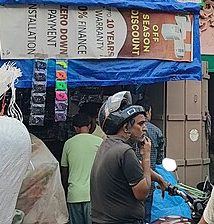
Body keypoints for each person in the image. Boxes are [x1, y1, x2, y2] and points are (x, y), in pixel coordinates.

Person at [90, 91, 153, 224]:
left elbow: (134, 169)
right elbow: (142, 193)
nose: (145, 128)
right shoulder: (125, 152)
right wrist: (146, 156)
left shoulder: (107, 145)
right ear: (126, 127)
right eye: (140, 124)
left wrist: (160, 180)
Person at [61, 112, 103, 224]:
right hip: (93, 195)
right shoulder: (100, 142)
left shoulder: (68, 144)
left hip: (74, 195)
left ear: (75, 128)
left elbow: (64, 171)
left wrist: (65, 190)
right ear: (89, 126)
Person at [133, 99, 168, 223]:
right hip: (148, 183)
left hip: (133, 184)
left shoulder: (129, 135)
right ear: (147, 113)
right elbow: (159, 160)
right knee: (146, 217)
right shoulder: (157, 131)